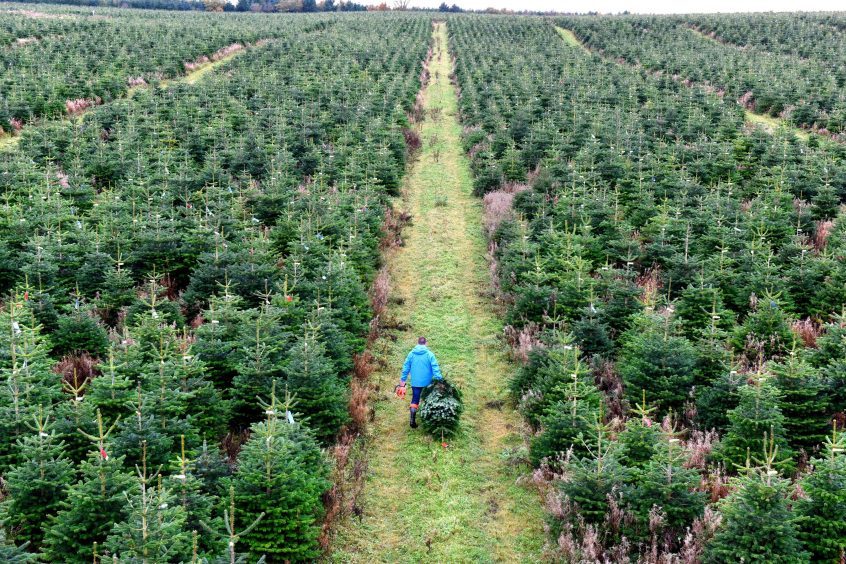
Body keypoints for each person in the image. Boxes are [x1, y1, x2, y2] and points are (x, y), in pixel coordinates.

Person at [398, 337, 442, 428]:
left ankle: (412, 421)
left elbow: (406, 368)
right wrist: (439, 380)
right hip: (428, 382)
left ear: (417, 343)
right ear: (426, 343)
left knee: (415, 399)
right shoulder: (430, 354)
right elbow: (435, 368)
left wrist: (402, 381)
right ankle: (427, 418)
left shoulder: (411, 354)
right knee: (428, 399)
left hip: (415, 382)